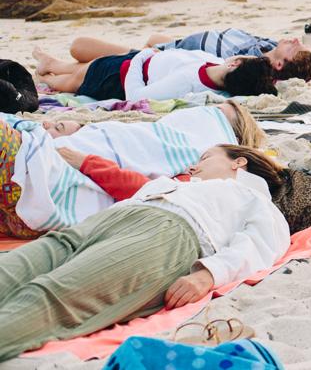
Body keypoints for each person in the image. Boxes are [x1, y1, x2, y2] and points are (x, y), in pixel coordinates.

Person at [0, 144, 289, 359]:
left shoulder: (255, 198)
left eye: (205, 158)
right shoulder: (180, 185)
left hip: (168, 233)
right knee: (12, 269)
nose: (193, 168)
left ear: (239, 161)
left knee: (52, 295)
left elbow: (260, 243)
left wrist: (208, 274)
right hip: (104, 223)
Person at [1, 104, 266, 238]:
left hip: (41, 182)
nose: (205, 109)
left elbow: (151, 193)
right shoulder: (181, 153)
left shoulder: (197, 162)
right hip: (30, 197)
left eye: (217, 110)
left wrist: (85, 161)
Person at [33, 45, 280, 101]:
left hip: (119, 77)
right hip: (135, 62)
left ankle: (44, 77)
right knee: (79, 69)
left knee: (73, 82)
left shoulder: (188, 83)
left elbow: (136, 97)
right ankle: (51, 63)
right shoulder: (216, 65)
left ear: (235, 64)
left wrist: (141, 56)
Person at [64, 32, 311, 80]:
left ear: (279, 63)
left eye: (296, 48)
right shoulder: (269, 44)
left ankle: (61, 68)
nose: (296, 40)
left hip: (164, 55)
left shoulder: (246, 63)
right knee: (154, 37)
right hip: (173, 43)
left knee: (79, 48)